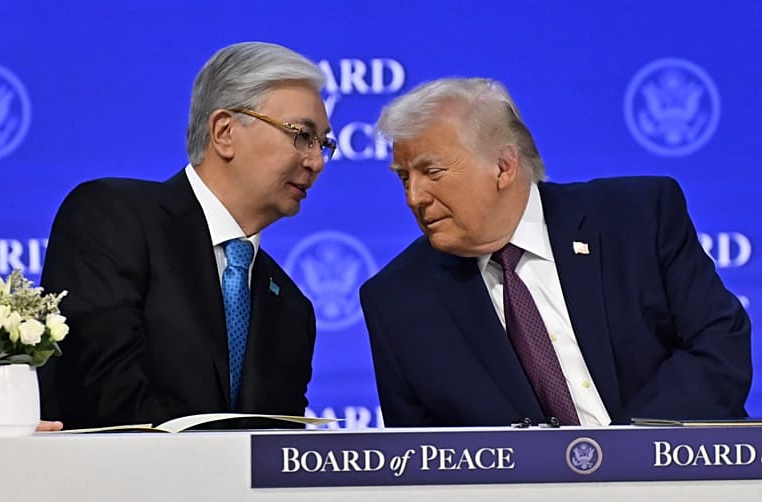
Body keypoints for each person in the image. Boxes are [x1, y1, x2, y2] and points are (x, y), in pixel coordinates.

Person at [360, 77, 751, 427]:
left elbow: (717, 346)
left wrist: (622, 459)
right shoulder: (399, 299)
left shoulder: (636, 219)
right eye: (403, 177)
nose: (414, 197)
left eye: (433, 172)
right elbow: (421, 460)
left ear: (503, 165)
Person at [39, 42, 336, 429]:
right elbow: (103, 395)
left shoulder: (292, 309)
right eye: (301, 135)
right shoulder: (114, 218)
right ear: (225, 131)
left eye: (323, 144)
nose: (315, 162)